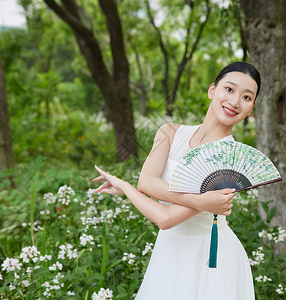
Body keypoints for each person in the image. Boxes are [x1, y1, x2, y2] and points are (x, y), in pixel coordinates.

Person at [93, 61, 260, 299]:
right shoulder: (169, 132)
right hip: (169, 250)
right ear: (213, 90)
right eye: (229, 90)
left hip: (210, 258)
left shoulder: (231, 160)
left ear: (251, 107)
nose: (234, 102)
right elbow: (146, 183)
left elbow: (166, 218)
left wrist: (125, 187)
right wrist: (201, 201)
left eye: (246, 97)